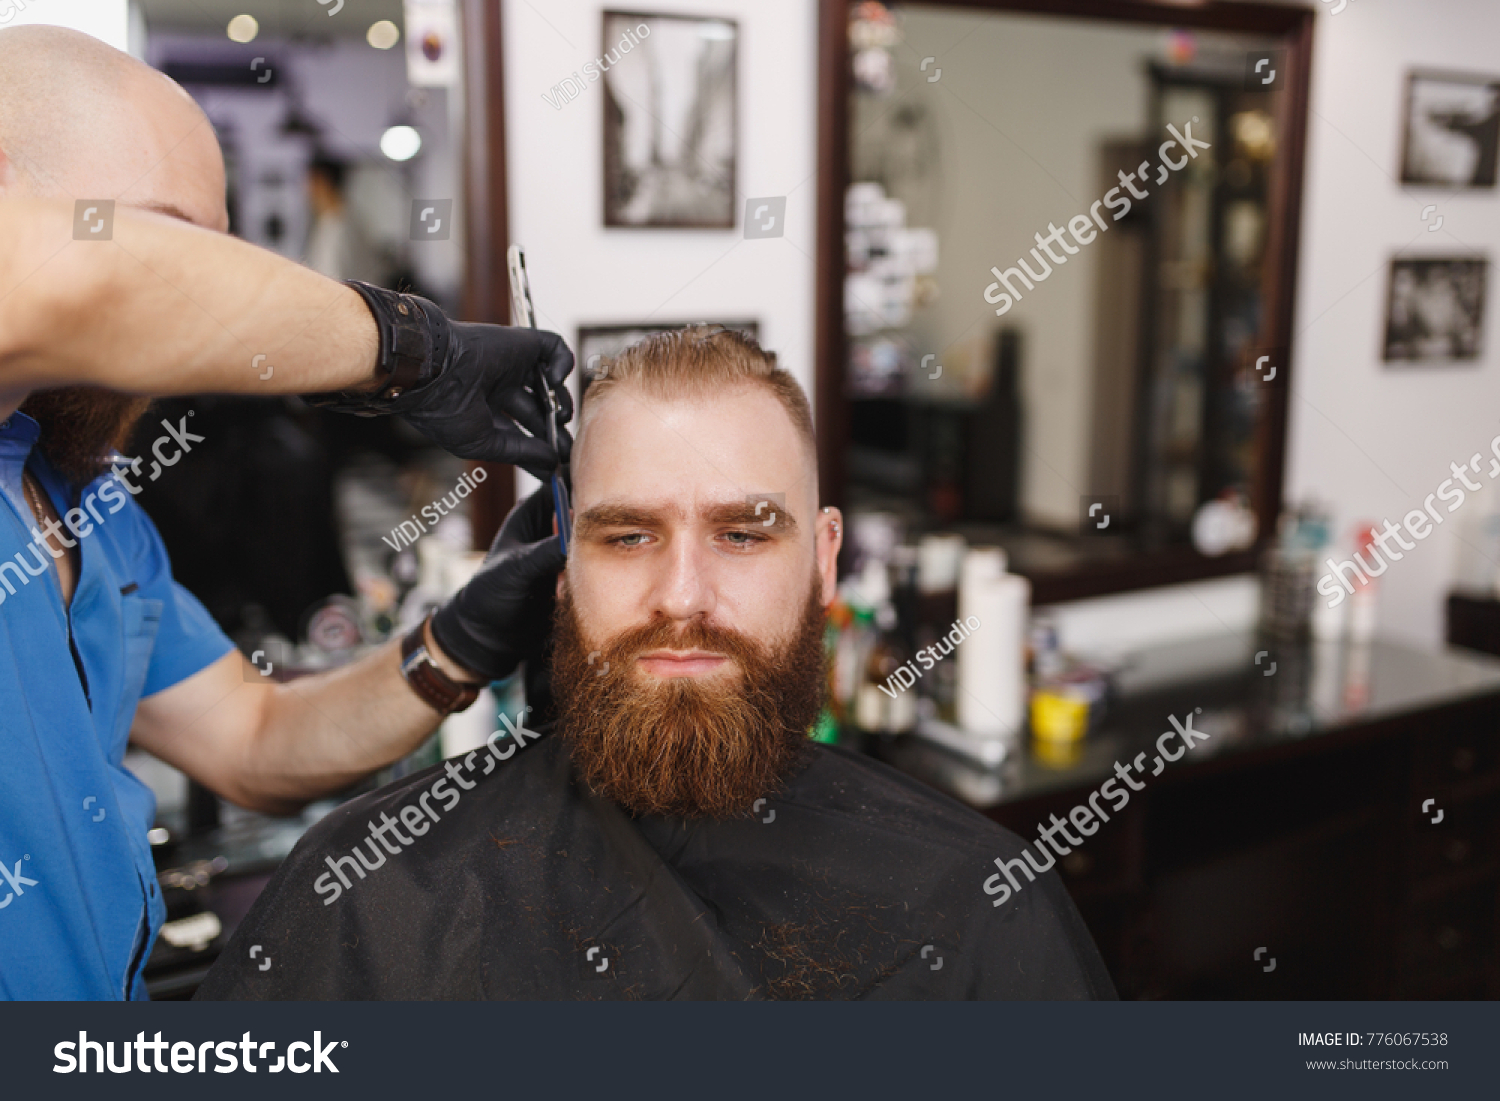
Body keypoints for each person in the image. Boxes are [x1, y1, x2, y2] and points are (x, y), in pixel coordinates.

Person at [197, 327, 1116, 1000]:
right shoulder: (373, 894)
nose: (683, 595)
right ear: (558, 565)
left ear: (826, 558)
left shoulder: (980, 902)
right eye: (628, 535)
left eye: (744, 534)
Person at [0, 26, 571, 998]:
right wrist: (409, 349)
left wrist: (461, 645)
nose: (200, 291)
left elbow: (254, 738)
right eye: (161, 235)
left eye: (213, 253)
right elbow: (86, 281)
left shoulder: (92, 511)